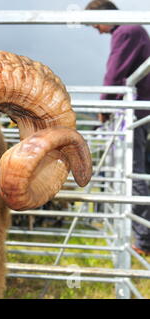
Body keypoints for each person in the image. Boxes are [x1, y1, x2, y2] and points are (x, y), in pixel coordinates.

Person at [86, 0, 150, 256]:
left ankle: (144, 240)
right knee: (133, 171)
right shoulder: (131, 30)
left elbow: (115, 73)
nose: (98, 31)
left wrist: (105, 105)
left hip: (134, 113)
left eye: (95, 24)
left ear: (105, 15)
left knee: (131, 172)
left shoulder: (126, 31)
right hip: (138, 110)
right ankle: (143, 237)